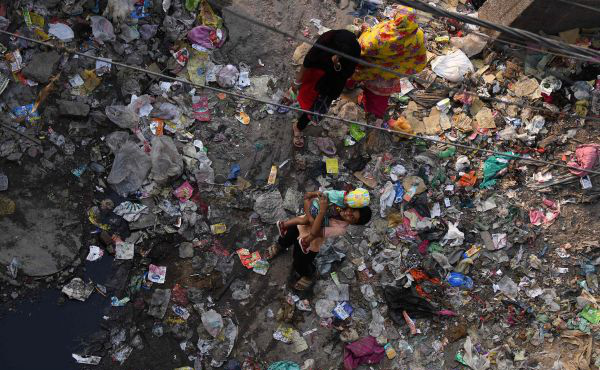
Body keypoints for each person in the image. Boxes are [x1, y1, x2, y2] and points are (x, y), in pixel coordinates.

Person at [265, 193, 372, 291]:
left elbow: (316, 232)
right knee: (287, 235)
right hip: (301, 224)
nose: (348, 213)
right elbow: (309, 201)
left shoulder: (340, 229)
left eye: (352, 218)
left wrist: (321, 212)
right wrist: (309, 216)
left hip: (309, 243)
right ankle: (280, 245)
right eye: (352, 210)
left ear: (352, 223)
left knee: (299, 262)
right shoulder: (337, 202)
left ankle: (309, 274)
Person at [350, 6, 427, 123]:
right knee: (380, 96)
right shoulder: (419, 35)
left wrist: (365, 31)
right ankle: (376, 115)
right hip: (390, 75)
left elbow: (363, 47)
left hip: (371, 69)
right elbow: (420, 58)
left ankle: (365, 107)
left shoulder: (383, 35)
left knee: (355, 76)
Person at [291, 29, 361, 148]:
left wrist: (337, 65)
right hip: (314, 76)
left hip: (329, 85)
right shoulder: (328, 39)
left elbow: (346, 74)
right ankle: (301, 115)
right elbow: (309, 60)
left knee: (313, 110)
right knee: (305, 99)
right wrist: (297, 82)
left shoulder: (353, 51)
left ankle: (298, 126)